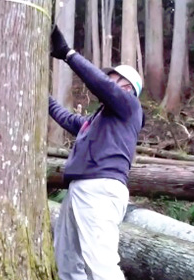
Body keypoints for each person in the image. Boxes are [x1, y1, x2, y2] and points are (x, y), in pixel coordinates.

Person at [48, 25, 144, 280]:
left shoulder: (129, 106)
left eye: (117, 82)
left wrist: (68, 54)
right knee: (66, 259)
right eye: (111, 79)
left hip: (101, 189)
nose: (111, 83)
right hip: (81, 189)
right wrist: (42, 98)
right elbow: (68, 119)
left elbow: (102, 86)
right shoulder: (100, 119)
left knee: (101, 266)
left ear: (128, 88)